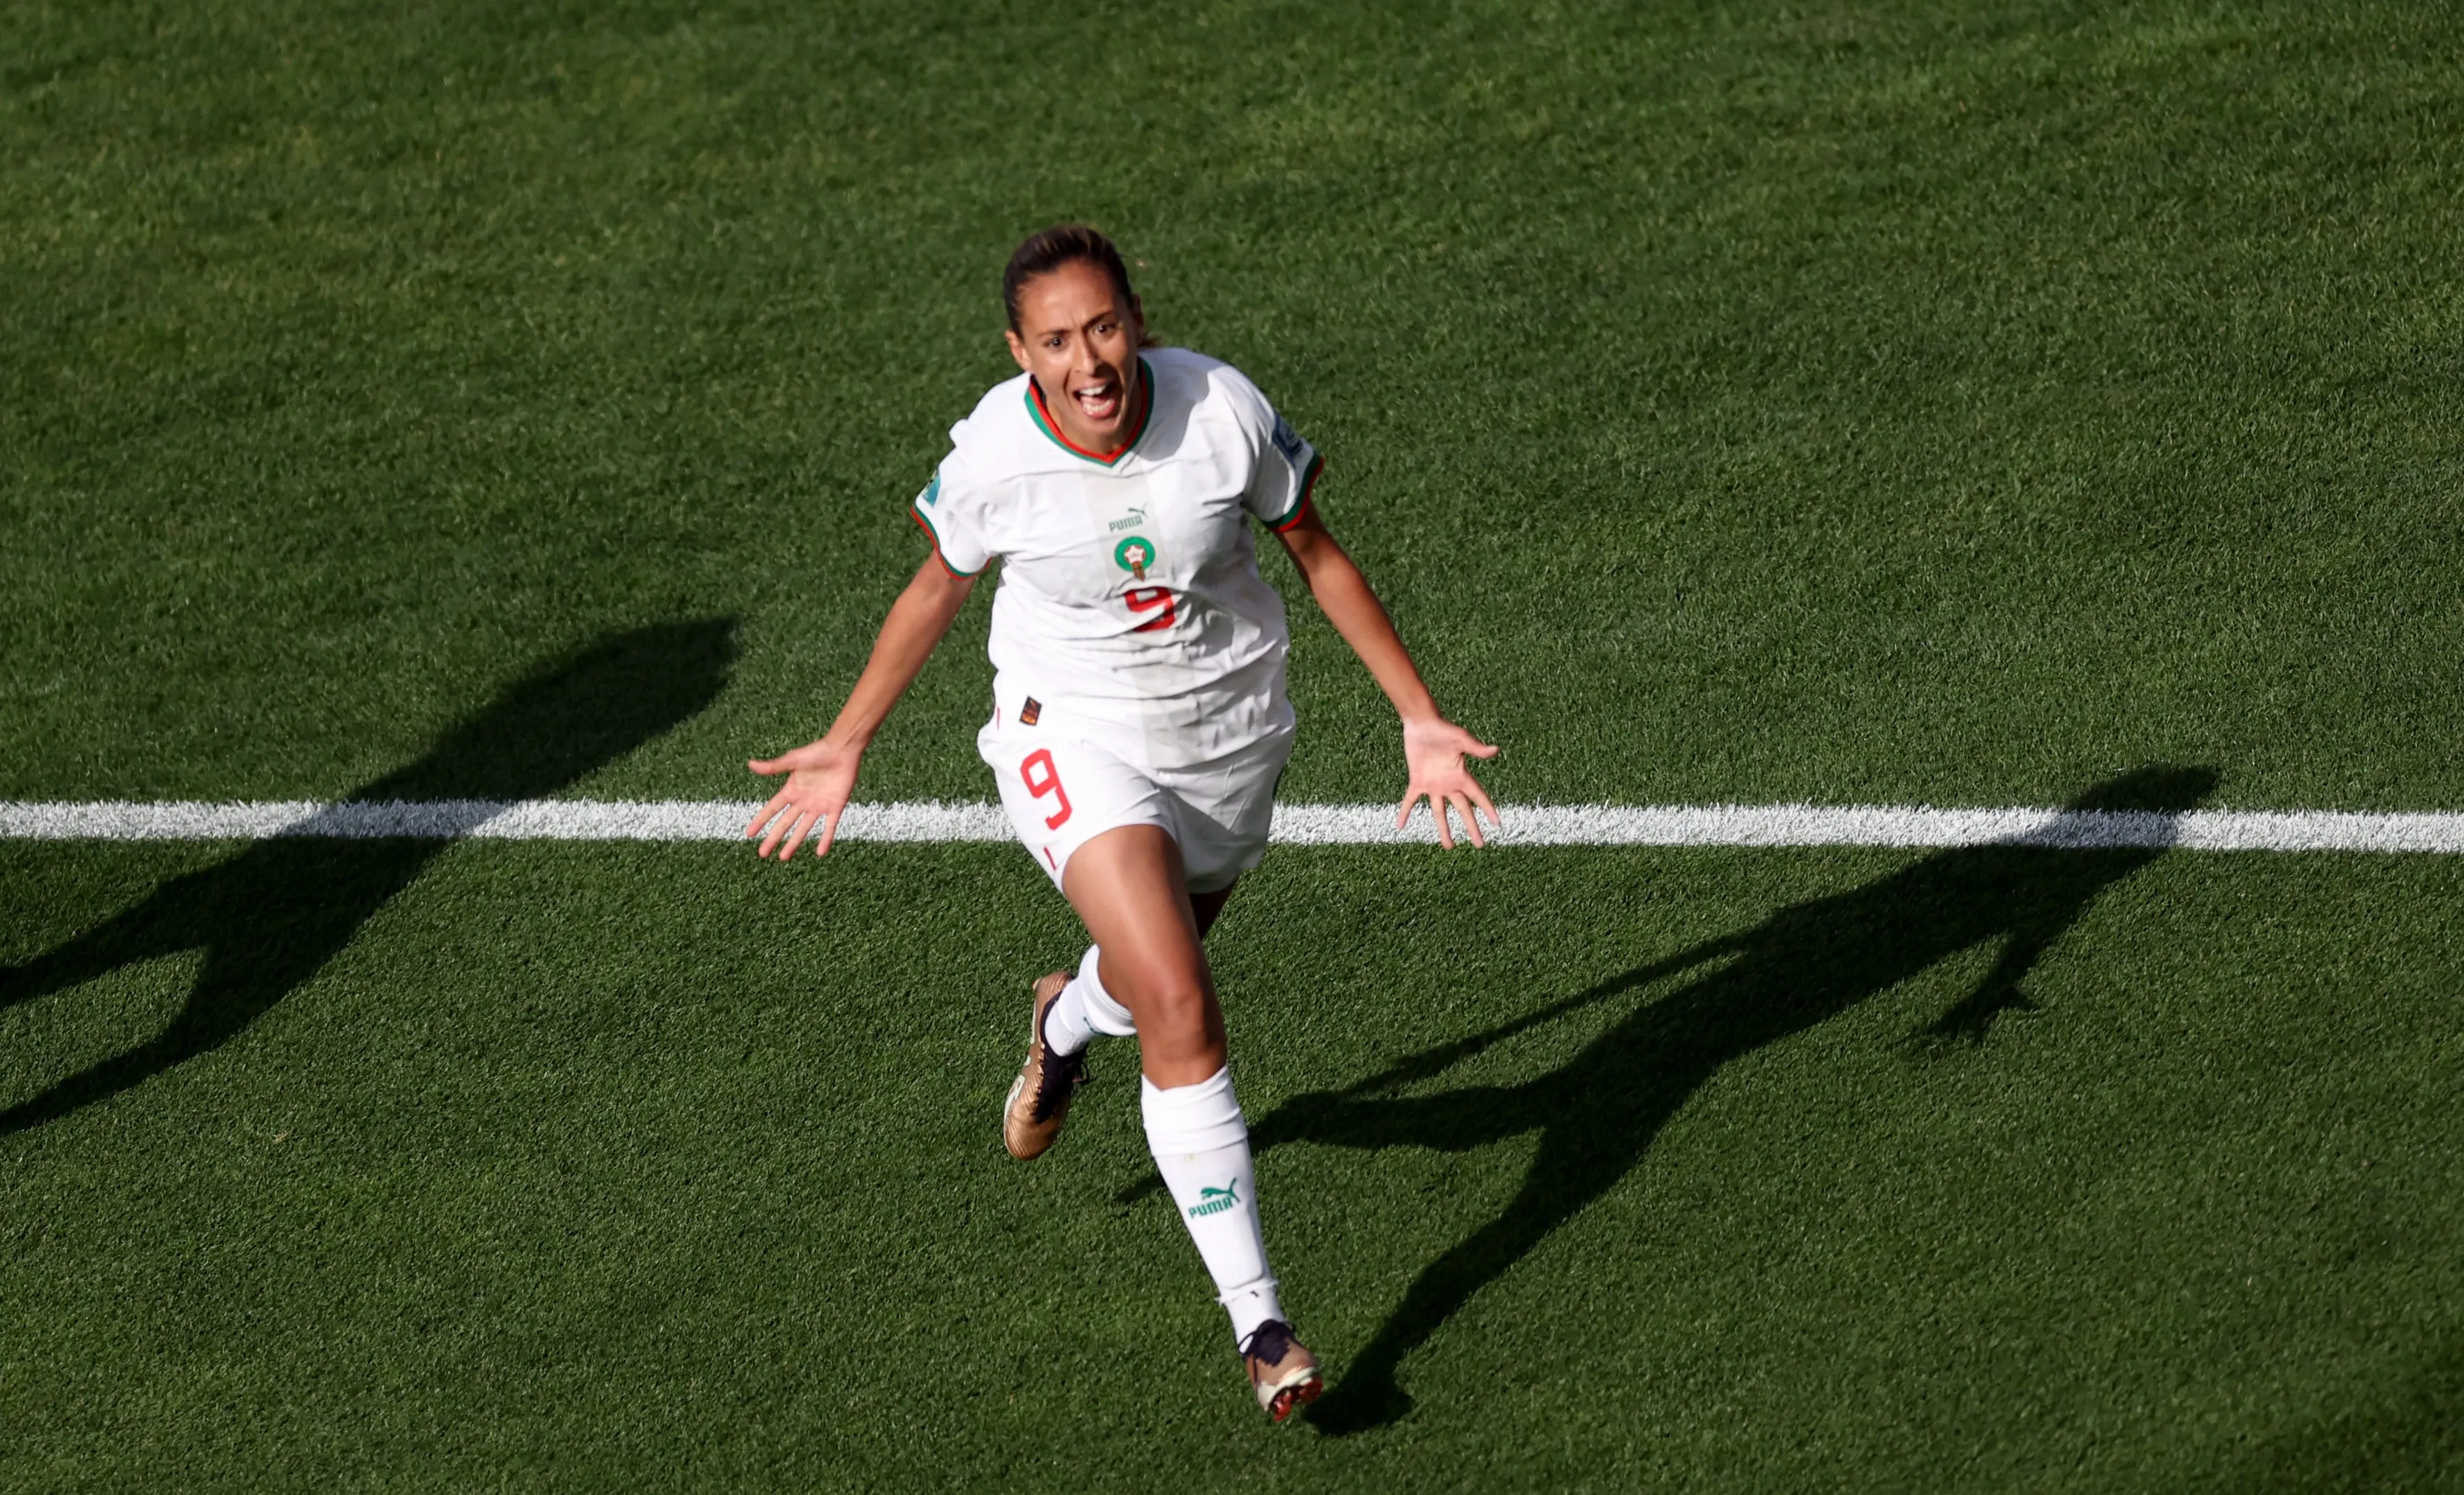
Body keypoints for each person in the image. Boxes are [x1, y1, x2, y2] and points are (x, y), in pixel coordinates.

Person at [745, 224, 1498, 1422]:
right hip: (1069, 731)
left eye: (1102, 326)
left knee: (1155, 979)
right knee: (1184, 998)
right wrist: (844, 744)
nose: (1087, 359)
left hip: (1227, 737)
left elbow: (1316, 552)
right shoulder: (997, 453)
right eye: (1054, 339)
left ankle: (1064, 1016)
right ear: (1019, 351)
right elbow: (937, 586)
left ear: (1135, 317)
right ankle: (1261, 1322)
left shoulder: (1220, 409)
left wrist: (1415, 714)